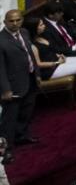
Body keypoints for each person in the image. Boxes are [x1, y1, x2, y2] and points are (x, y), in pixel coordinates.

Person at [22, 17, 76, 101]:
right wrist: (56, 62)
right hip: (49, 70)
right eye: (41, 25)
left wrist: (59, 55)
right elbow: (38, 64)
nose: (44, 26)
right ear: (34, 28)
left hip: (57, 61)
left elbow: (49, 51)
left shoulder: (41, 37)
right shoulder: (32, 45)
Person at [0, 10, 40, 160]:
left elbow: (29, 55)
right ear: (5, 22)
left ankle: (21, 136)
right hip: (12, 86)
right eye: (11, 21)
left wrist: (37, 74)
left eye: (18, 20)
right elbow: (0, 69)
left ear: (22, 20)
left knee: (26, 112)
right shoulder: (1, 40)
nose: (15, 23)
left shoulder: (24, 32)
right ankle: (6, 149)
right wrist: (5, 90)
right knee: (9, 120)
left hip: (29, 80)